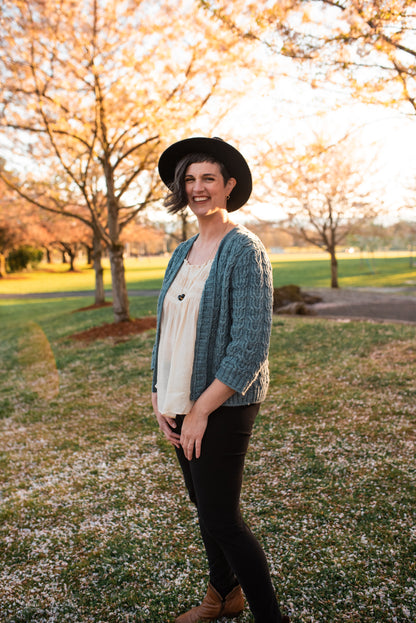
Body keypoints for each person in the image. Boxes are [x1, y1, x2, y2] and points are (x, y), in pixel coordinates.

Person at [151, 137, 290, 623]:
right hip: (179, 398)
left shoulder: (245, 249)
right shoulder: (182, 251)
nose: (197, 188)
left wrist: (201, 410)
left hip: (223, 404)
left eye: (208, 178)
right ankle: (224, 597)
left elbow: (250, 345)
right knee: (204, 506)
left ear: (229, 186)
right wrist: (157, 392)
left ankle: (270, 616)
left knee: (222, 519)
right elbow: (168, 326)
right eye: (189, 179)